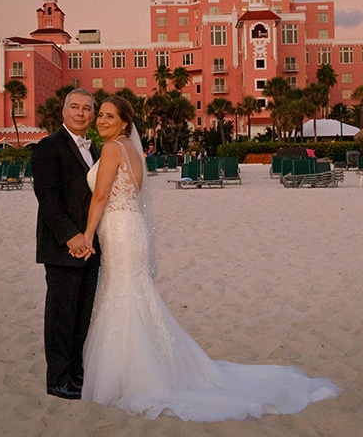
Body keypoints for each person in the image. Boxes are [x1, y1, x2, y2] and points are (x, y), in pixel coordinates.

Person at [78, 95, 340, 421]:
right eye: (100, 115)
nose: (101, 121)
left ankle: (131, 375)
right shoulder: (132, 150)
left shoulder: (112, 149)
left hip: (118, 229)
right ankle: (148, 366)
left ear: (124, 123)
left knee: (124, 295)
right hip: (131, 228)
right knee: (134, 294)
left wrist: (87, 235)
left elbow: (101, 196)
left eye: (109, 116)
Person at [32, 88, 100, 400]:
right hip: (63, 247)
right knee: (61, 315)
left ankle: (75, 374)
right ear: (63, 111)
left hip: (91, 247)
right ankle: (57, 379)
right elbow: (48, 200)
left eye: (87, 108)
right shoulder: (49, 147)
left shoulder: (95, 152)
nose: (81, 113)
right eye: (75, 107)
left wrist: (92, 239)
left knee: (81, 315)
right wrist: (72, 237)